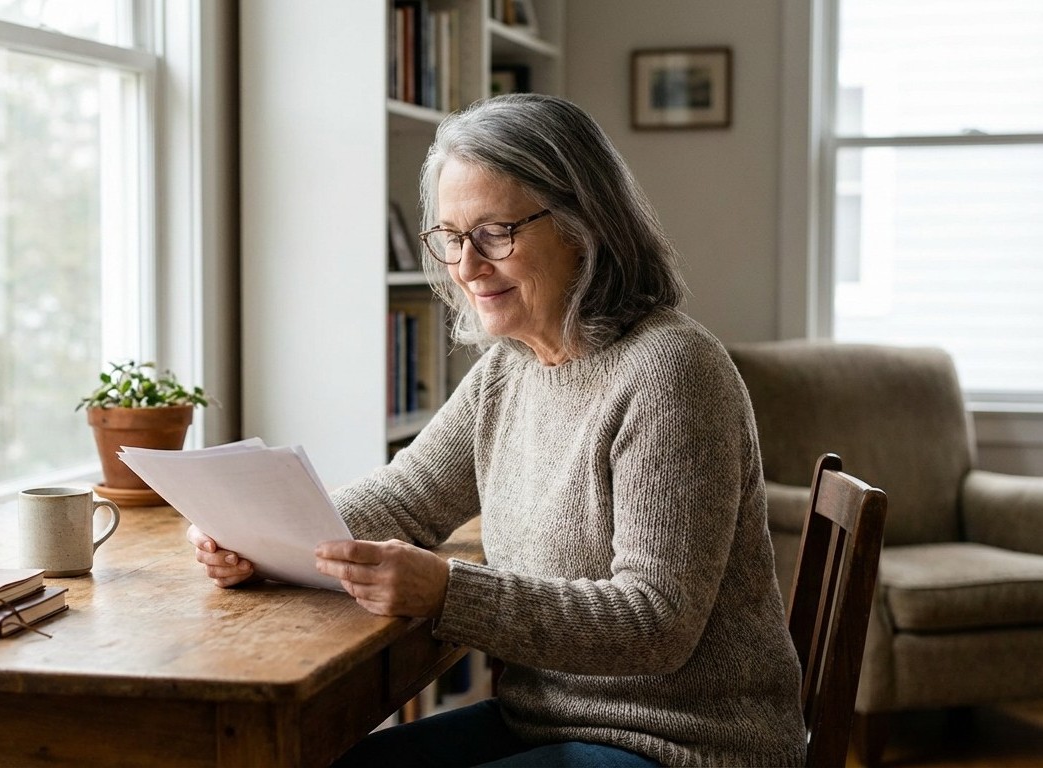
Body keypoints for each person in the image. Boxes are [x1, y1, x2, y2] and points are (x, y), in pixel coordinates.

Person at [188, 93, 806, 767]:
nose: (466, 266)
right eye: (451, 237)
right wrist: (256, 530)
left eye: (494, 233)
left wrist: (448, 592)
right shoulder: (506, 370)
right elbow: (407, 497)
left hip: (687, 746)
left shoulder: (671, 372)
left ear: (582, 225)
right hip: (544, 724)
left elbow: (654, 623)